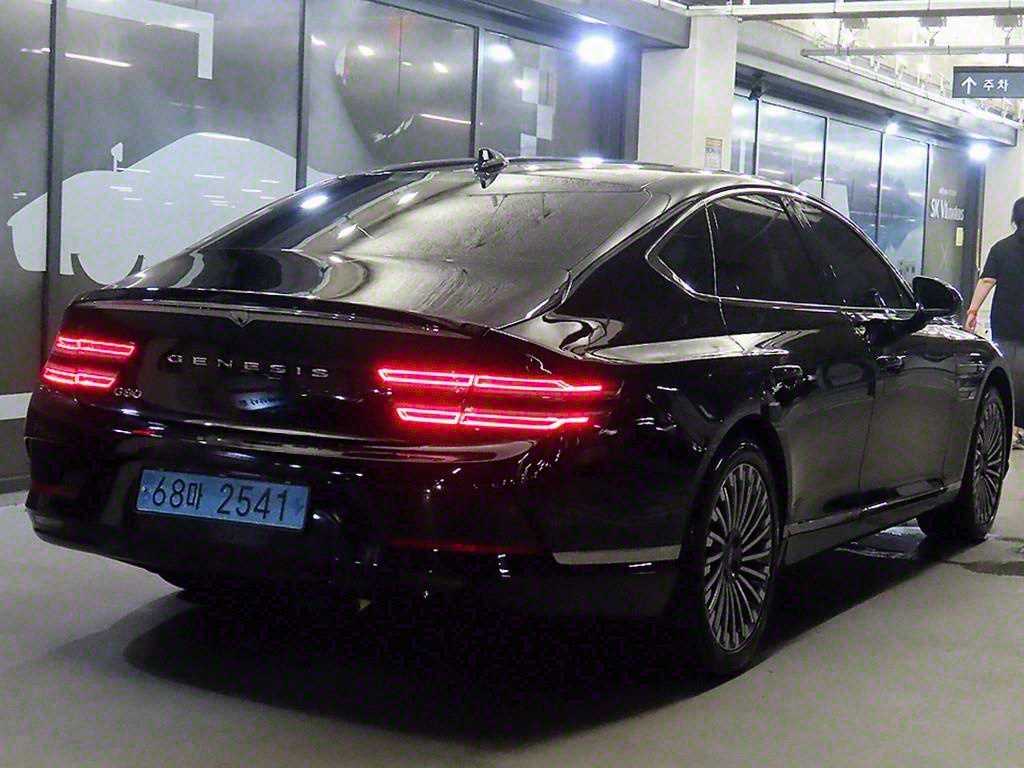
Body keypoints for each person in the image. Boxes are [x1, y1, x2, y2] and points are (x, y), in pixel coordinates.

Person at [965, 196, 1024, 448]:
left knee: (1009, 375)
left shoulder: (1001, 248)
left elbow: (987, 280)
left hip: (1006, 322)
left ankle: (1012, 429)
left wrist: (972, 310)